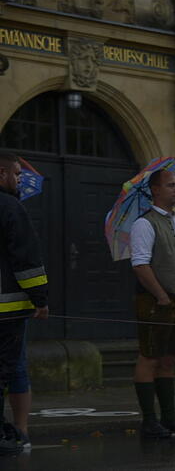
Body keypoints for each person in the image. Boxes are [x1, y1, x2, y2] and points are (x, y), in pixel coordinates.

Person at [129, 169, 175, 439]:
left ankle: (170, 418)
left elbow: (172, 258)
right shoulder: (144, 224)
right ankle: (149, 421)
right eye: (171, 185)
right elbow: (140, 264)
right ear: (155, 190)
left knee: (168, 359)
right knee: (149, 357)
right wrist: (160, 295)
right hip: (154, 301)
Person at [0, 154, 49, 455]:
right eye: (16, 174)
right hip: (6, 312)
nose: (19, 180)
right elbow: (27, 260)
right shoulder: (10, 207)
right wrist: (40, 299)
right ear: (1, 173)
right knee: (5, 372)